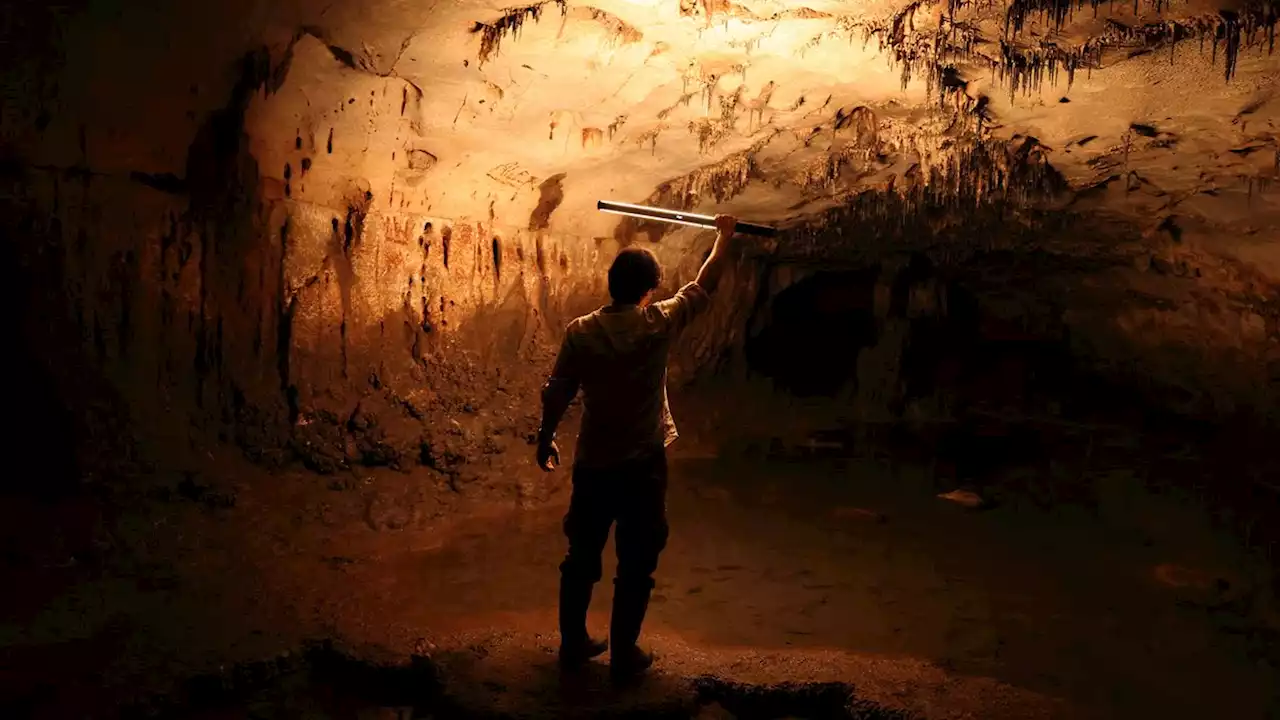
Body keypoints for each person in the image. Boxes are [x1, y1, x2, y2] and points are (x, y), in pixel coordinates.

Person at [535, 213, 740, 678]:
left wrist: (545, 437)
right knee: (638, 558)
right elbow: (704, 284)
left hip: (593, 463)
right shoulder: (657, 323)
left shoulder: (581, 330)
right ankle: (624, 653)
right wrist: (724, 237)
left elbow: (558, 390)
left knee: (581, 556)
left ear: (611, 283)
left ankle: (573, 644)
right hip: (642, 465)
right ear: (652, 287)